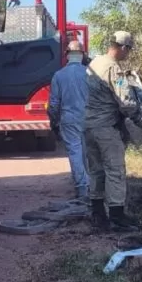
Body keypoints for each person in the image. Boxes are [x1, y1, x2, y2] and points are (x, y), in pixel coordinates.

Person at [84, 31, 142, 231]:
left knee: (96, 170)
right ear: (123, 48)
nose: (128, 54)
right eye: (129, 50)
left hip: (88, 126)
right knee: (115, 170)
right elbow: (126, 103)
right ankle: (117, 217)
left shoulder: (94, 63)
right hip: (106, 129)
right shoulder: (113, 69)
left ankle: (98, 214)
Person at [48, 40, 91, 199]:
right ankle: (91, 187)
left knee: (75, 152)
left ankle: (81, 188)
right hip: (88, 118)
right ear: (82, 55)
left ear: (67, 56)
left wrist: (54, 122)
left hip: (69, 119)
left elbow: (53, 104)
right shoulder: (89, 74)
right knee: (86, 153)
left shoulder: (59, 75)